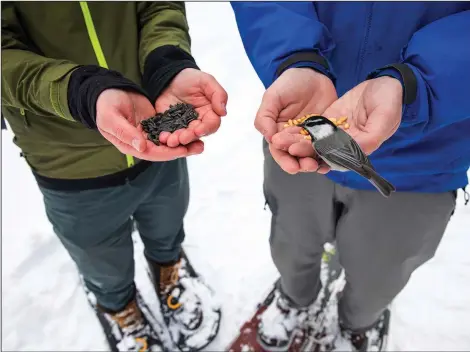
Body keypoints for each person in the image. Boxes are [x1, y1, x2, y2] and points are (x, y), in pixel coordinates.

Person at [232, 2, 470, 350]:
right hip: (299, 144)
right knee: (291, 242)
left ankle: (359, 322)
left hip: (424, 157)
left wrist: (416, 83)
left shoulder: (336, 136)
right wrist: (295, 56)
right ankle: (294, 299)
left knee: (380, 272)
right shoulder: (313, 132)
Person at [1, 2, 227, 350]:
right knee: (100, 260)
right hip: (67, 163)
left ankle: (169, 270)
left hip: (156, 132)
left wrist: (166, 61)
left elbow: (158, 5)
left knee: (167, 226)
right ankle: (118, 305)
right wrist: (78, 90)